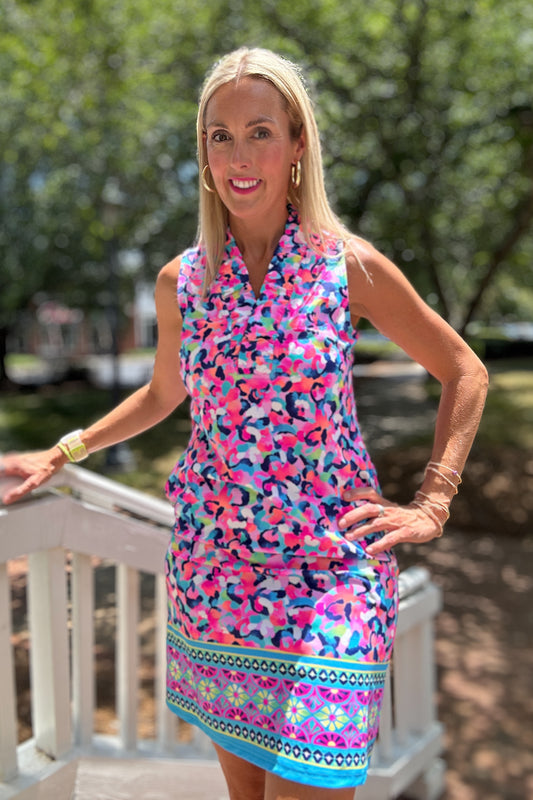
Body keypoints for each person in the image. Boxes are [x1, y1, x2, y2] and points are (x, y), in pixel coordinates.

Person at [0, 47, 488, 800]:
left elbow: (465, 371)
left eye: (260, 132)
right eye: (218, 135)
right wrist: (63, 452)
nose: (238, 155)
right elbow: (164, 394)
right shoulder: (181, 281)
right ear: (202, 150)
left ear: (297, 145)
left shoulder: (345, 264)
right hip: (216, 567)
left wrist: (433, 499)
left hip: (333, 572)